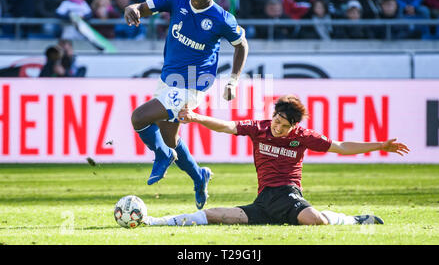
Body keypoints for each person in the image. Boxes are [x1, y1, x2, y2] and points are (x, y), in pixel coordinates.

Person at [142, 95, 409, 227]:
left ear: (294, 126)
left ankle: (355, 221)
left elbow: (341, 146)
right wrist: (198, 118)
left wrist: (381, 145)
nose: (276, 128)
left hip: (289, 193)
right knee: (216, 215)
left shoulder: (304, 137)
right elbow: (227, 126)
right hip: (264, 200)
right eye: (275, 121)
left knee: (316, 221)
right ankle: (155, 221)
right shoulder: (259, 127)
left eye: (282, 125)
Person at [123, 0, 248, 210]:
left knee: (139, 118)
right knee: (170, 139)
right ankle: (199, 176)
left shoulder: (222, 19)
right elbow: (144, 8)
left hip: (193, 83)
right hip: (169, 78)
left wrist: (233, 79)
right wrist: (133, 8)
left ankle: (162, 156)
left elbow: (241, 45)